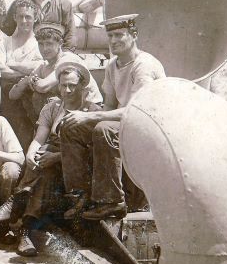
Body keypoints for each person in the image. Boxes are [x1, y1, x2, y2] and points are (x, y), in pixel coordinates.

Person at [0, 59, 100, 256]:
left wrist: (56, 157)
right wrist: (32, 152)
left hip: (77, 165)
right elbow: (40, 137)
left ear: (82, 86)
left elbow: (90, 152)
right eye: (63, 85)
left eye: (73, 85)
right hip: (50, 162)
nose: (67, 90)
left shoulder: (91, 111)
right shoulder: (53, 107)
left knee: (48, 162)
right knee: (45, 169)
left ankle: (14, 208)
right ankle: (25, 231)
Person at [60, 14, 166, 220]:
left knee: (104, 129)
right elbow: (109, 105)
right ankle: (79, 195)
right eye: (110, 36)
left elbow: (136, 111)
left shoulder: (143, 65)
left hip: (148, 127)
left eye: (119, 35)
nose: (114, 41)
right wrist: (85, 117)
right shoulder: (112, 66)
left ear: (134, 35)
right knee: (71, 126)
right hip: (125, 123)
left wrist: (93, 117)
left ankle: (112, 201)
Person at [10, 24, 102, 124]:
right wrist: (27, 81)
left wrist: (30, 81)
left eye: (49, 44)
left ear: (60, 43)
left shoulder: (68, 59)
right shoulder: (44, 65)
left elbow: (43, 86)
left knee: (43, 97)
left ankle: (47, 133)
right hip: (70, 109)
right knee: (28, 95)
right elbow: (12, 95)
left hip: (89, 109)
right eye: (41, 44)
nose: (44, 49)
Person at [0, 0, 43, 150]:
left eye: (28, 17)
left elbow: (39, 68)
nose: (24, 20)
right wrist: (24, 75)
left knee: (28, 140)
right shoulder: (5, 42)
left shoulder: (39, 44)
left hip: (30, 101)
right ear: (14, 17)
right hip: (7, 101)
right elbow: (0, 70)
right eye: (21, 16)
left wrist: (13, 64)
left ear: (35, 18)